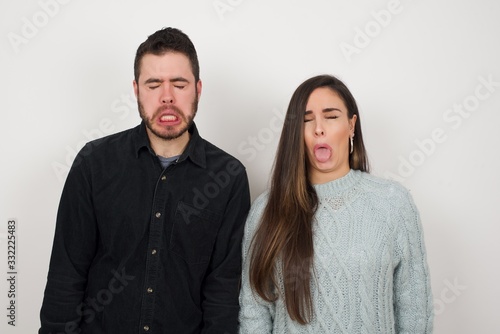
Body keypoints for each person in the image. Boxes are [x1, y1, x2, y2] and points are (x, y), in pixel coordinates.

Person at [39, 27, 250, 334]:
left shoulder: (228, 177)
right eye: (154, 85)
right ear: (136, 90)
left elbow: (223, 296)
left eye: (179, 84)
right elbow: (65, 277)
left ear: (198, 89)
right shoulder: (94, 164)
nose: (167, 97)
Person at [239, 74, 433, 333]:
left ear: (352, 125)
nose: (319, 128)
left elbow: (414, 312)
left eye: (331, 117)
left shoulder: (392, 203)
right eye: (307, 120)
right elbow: (255, 312)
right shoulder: (267, 210)